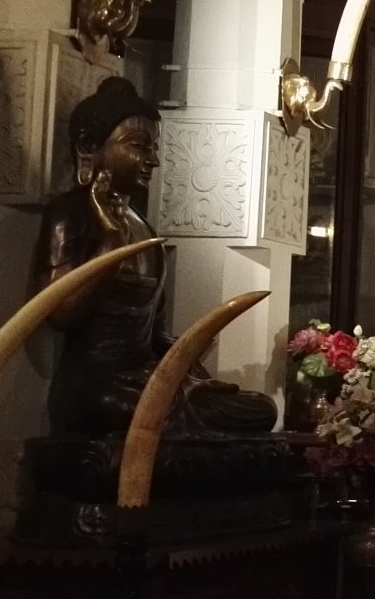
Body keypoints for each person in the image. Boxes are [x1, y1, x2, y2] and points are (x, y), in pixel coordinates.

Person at [32, 77, 275, 437]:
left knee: (260, 409)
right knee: (189, 420)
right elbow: (59, 313)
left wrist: (192, 369)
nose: (153, 160)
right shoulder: (70, 213)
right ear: (88, 146)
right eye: (138, 146)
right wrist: (111, 244)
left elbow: (155, 335)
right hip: (97, 390)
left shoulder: (142, 225)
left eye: (154, 148)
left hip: (146, 380)